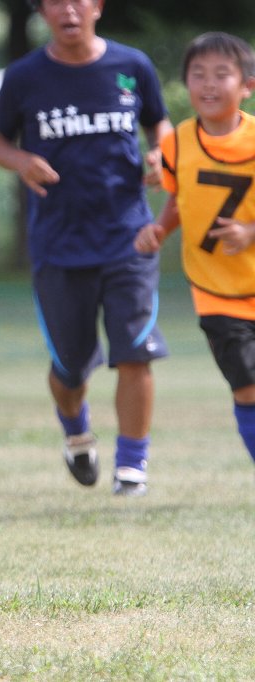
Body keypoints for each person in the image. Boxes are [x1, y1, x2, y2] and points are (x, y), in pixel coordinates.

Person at [0, 0, 173, 496]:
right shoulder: (25, 76)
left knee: (135, 352)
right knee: (70, 369)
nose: (69, 10)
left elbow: (160, 123)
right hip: (59, 243)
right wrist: (21, 161)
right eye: (56, 1)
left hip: (128, 236)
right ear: (42, 11)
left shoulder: (132, 66)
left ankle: (131, 467)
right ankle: (76, 432)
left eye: (78, 0)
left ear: (98, 6)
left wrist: (161, 153)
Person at [135, 33, 255, 468]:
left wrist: (250, 231)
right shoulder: (177, 142)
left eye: (222, 74)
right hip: (216, 291)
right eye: (198, 74)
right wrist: (160, 228)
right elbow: (178, 196)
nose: (208, 84)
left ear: (247, 86)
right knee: (247, 388)